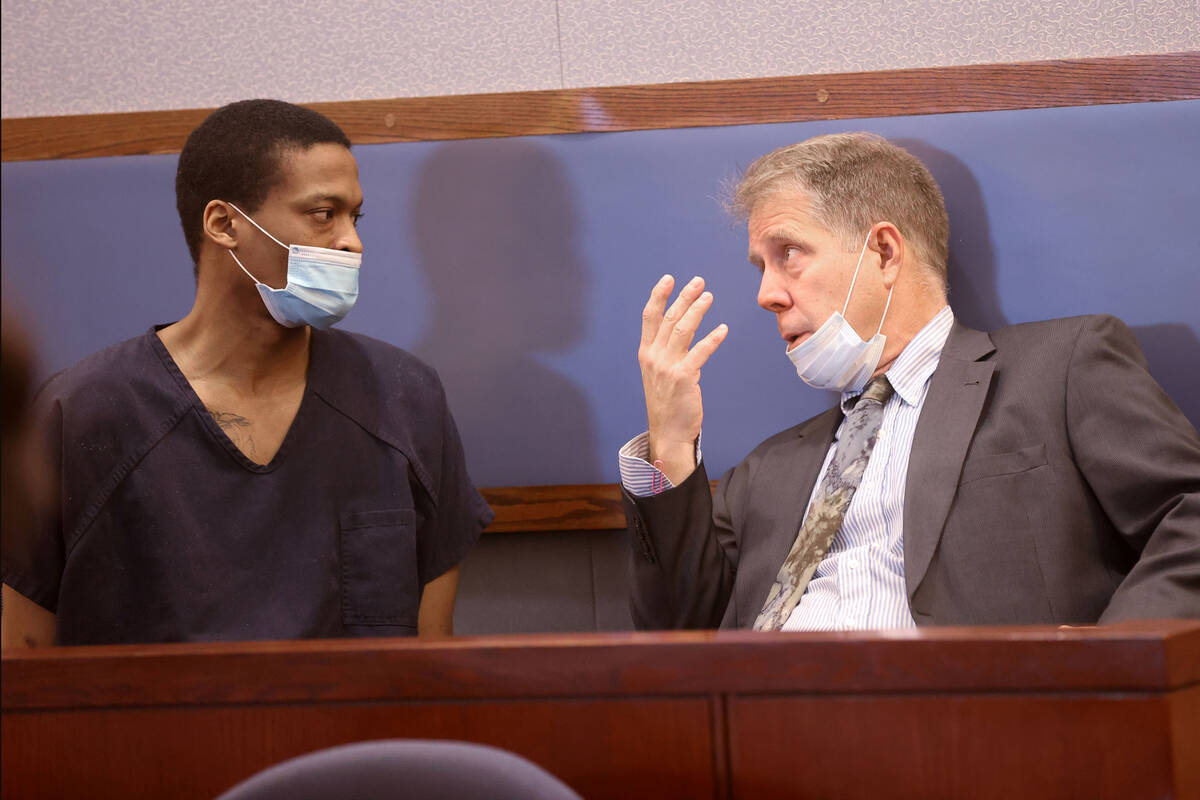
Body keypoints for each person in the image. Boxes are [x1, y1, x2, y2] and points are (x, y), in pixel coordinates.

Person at [621, 132, 1200, 631]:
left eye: (788, 253)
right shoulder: (765, 471)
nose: (766, 293)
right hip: (764, 738)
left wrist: (1112, 673)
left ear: (884, 251)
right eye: (761, 267)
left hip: (969, 737)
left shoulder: (1060, 369)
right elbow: (680, 638)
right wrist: (670, 443)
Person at [0, 100, 493, 646]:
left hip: (362, 732)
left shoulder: (404, 398)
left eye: (355, 216)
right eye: (323, 213)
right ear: (224, 223)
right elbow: (24, 670)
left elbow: (432, 657)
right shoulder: (84, 414)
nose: (352, 241)